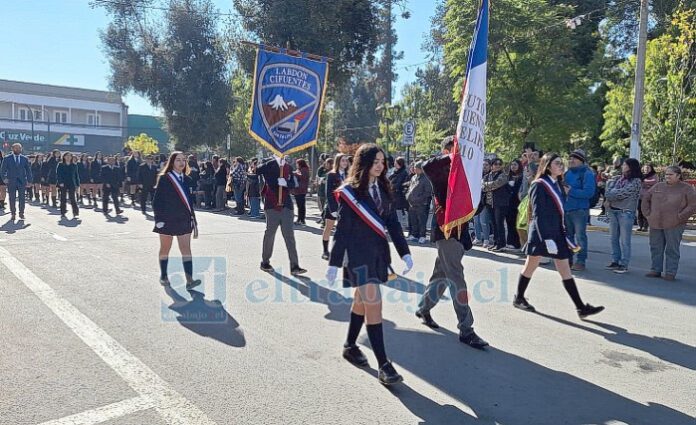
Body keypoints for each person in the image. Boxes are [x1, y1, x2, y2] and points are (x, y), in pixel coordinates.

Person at [326, 143, 412, 385]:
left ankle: (350, 345)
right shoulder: (351, 193)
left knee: (361, 301)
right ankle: (384, 365)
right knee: (374, 304)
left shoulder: (384, 188)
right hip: (357, 257)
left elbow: (393, 224)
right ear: (364, 163)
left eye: (382, 162)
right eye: (375, 162)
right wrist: (334, 262)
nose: (380, 166)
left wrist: (404, 252)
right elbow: (342, 231)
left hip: (378, 256)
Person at [414, 136, 488, 349]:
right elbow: (427, 165)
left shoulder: (466, 173)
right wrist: (454, 155)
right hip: (446, 232)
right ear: (449, 150)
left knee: (441, 275)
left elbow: (478, 203)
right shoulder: (441, 170)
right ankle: (466, 329)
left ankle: (424, 308)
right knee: (457, 279)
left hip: (460, 233)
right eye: (456, 149)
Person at [512, 153, 604, 318]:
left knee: (565, 270)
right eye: (557, 163)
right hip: (542, 233)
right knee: (530, 266)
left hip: (556, 232)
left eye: (562, 163)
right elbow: (538, 214)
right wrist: (546, 238)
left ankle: (580, 307)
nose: (561, 166)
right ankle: (518, 298)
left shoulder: (559, 185)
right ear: (548, 166)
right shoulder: (539, 185)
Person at [152, 151, 201, 289]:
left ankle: (190, 280)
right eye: (178, 160)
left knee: (186, 249)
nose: (181, 163)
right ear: (172, 162)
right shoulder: (165, 178)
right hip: (167, 219)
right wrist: (159, 219)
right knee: (165, 249)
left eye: (183, 160)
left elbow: (189, 203)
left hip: (184, 219)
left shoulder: (187, 179)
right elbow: (157, 202)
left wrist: (193, 220)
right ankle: (164, 275)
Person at [641, 166, 696, 281]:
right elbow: (646, 197)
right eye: (666, 174)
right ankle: (655, 269)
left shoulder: (686, 188)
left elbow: (692, 205)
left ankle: (670, 272)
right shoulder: (658, 186)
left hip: (675, 224)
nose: (667, 176)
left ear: (678, 176)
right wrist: (648, 214)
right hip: (656, 222)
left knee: (672, 249)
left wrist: (680, 217)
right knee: (655, 247)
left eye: (670, 174)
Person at [257, 155, 306, 276]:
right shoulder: (269, 164)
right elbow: (257, 170)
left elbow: (294, 184)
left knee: (289, 236)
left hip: (286, 205)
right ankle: (265, 262)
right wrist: (273, 160)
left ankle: (294, 266)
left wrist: (286, 183)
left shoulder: (288, 167)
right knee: (270, 234)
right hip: (272, 205)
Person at [604, 158, 642, 274]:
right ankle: (615, 260)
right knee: (613, 238)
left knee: (625, 240)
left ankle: (624, 264)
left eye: (625, 164)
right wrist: (611, 194)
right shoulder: (618, 179)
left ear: (631, 166)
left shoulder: (636, 181)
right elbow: (607, 190)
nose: (622, 166)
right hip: (613, 211)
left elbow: (623, 193)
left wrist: (611, 195)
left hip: (625, 212)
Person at [562, 149, 596, 271]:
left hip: (580, 210)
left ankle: (581, 261)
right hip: (567, 209)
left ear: (581, 161)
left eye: (574, 158)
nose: (571, 160)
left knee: (581, 237)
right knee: (568, 236)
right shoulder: (567, 173)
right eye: (570, 158)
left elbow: (589, 192)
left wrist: (571, 191)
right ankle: (569, 259)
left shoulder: (587, 174)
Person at [321, 154, 349, 260]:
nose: (345, 163)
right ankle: (325, 251)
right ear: (338, 162)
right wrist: (333, 209)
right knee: (329, 227)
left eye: (346, 161)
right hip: (333, 205)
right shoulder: (331, 175)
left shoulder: (348, 175)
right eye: (343, 161)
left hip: (345, 206)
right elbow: (328, 192)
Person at [482, 158, 510, 252]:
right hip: (490, 203)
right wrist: (488, 186)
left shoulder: (503, 175)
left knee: (499, 224)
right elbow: (482, 187)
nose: (497, 165)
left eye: (499, 164)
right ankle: (495, 242)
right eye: (495, 164)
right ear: (492, 165)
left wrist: (487, 185)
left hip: (500, 203)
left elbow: (497, 184)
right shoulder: (487, 176)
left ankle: (501, 244)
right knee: (493, 224)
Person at [0, 143, 33, 221]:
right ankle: (13, 213)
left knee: (22, 198)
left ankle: (21, 213)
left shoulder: (24, 159)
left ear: (21, 149)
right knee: (12, 198)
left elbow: (28, 171)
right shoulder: (7, 158)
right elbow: (2, 170)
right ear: (12, 149)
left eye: (19, 148)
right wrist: (4, 178)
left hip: (22, 181)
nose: (18, 150)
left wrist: (30, 181)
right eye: (16, 148)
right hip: (11, 181)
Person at [405, 162, 432, 244]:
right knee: (413, 220)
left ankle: (422, 236)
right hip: (412, 203)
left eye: (416, 168)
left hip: (421, 204)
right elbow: (410, 188)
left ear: (421, 169)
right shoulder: (414, 177)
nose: (414, 169)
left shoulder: (426, 179)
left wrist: (419, 199)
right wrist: (408, 195)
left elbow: (427, 192)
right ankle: (414, 235)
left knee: (422, 221)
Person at [505, 159, 523, 249]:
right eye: (512, 165)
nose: (513, 166)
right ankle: (510, 241)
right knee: (509, 222)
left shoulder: (521, 176)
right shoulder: (508, 176)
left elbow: (519, 190)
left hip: (517, 203)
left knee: (516, 223)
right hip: (508, 203)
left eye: (515, 164)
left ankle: (516, 243)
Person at [56, 152, 80, 219]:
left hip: (71, 183)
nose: (68, 157)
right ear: (64, 157)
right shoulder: (60, 164)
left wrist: (77, 184)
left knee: (72, 198)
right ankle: (63, 211)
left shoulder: (74, 165)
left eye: (70, 156)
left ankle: (75, 212)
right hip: (63, 183)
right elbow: (58, 174)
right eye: (67, 156)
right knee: (63, 198)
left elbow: (76, 175)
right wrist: (60, 182)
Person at [388, 156, 410, 229]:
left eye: (396, 162)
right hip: (393, 195)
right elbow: (389, 180)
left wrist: (392, 186)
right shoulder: (395, 172)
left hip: (399, 195)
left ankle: (400, 225)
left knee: (399, 211)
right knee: (394, 210)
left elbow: (399, 184)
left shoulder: (403, 173)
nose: (394, 164)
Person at [638, 164, 658, 232]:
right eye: (645, 168)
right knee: (640, 211)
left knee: (646, 211)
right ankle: (640, 226)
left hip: (648, 197)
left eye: (648, 168)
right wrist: (646, 184)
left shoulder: (654, 175)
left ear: (651, 168)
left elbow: (654, 182)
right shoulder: (641, 175)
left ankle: (645, 227)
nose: (646, 169)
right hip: (640, 196)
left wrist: (644, 182)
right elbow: (639, 183)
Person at [315, 157, 333, 225]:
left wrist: (325, 181)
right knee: (322, 206)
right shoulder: (323, 170)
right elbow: (318, 176)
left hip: (328, 192)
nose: (326, 165)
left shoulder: (332, 172)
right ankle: (323, 219)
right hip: (321, 190)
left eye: (328, 163)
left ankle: (324, 221)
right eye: (326, 163)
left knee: (326, 207)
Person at [292, 158, 310, 225]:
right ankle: (300, 219)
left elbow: (302, 177)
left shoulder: (304, 170)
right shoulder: (299, 170)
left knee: (301, 206)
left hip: (301, 190)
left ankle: (301, 219)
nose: (296, 165)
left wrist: (295, 174)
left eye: (297, 163)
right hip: (298, 190)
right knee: (299, 206)